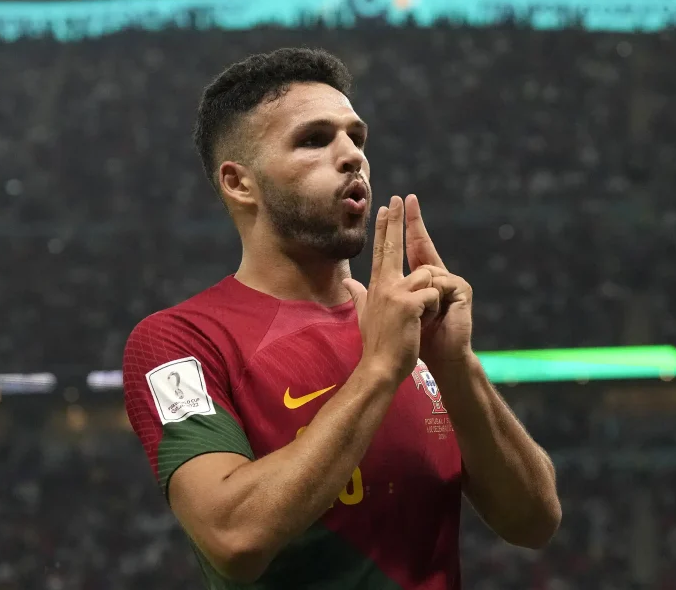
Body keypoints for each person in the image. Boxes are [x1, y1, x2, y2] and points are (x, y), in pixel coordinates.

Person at [122, 47, 561, 589]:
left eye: (357, 138)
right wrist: (379, 370)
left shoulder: (411, 328)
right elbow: (233, 538)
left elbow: (534, 521)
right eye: (314, 140)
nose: (352, 156)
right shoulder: (179, 342)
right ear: (239, 183)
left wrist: (455, 365)